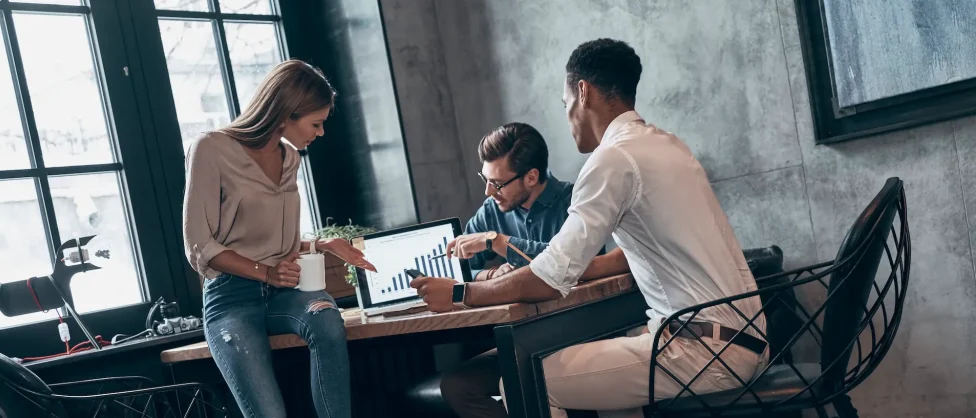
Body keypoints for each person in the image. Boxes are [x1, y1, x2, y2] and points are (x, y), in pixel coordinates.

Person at [412, 39, 767, 418]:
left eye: (565, 104)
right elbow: (627, 257)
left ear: (583, 92)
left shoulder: (612, 160)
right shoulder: (667, 145)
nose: (567, 117)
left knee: (524, 378)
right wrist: (572, 268)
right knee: (598, 371)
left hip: (702, 349)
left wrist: (461, 292)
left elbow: (550, 279)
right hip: (746, 337)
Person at [182, 60, 376, 418]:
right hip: (231, 299)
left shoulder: (290, 159)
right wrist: (267, 273)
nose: (321, 133)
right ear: (287, 114)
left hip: (288, 292)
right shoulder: (210, 148)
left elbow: (273, 242)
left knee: (326, 319)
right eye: (315, 124)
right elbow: (199, 246)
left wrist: (322, 244)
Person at [437, 122, 628, 418]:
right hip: (522, 338)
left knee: (522, 383)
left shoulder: (574, 203)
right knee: (457, 386)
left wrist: (499, 243)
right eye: (485, 180)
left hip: (577, 330)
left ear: (531, 177)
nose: (488, 192)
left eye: (497, 183)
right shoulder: (493, 210)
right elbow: (456, 272)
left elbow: (564, 263)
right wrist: (488, 276)